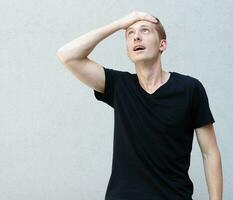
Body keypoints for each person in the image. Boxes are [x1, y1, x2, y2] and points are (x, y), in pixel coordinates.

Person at [57, 10, 223, 200]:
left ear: (163, 44)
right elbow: (67, 55)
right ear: (127, 48)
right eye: (130, 33)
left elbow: (210, 153)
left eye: (145, 31)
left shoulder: (190, 88)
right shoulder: (118, 85)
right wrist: (119, 23)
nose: (136, 36)